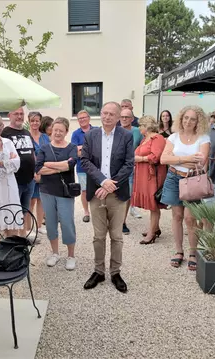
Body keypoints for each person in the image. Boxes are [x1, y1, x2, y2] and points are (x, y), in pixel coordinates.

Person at [81, 101, 134, 293]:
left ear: (119, 117)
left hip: (117, 194)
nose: (107, 116)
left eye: (112, 114)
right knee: (98, 236)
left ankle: (116, 272)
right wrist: (103, 181)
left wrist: (111, 185)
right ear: (100, 114)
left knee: (117, 236)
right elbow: (85, 161)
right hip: (97, 192)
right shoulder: (90, 135)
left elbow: (129, 164)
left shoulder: (126, 136)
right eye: (104, 113)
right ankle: (98, 271)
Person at [160, 105, 211, 271]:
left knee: (190, 219)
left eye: (193, 119)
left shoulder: (203, 138)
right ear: (181, 119)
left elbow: (201, 162)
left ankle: (193, 253)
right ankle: (178, 250)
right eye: (186, 118)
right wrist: (186, 159)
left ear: (199, 121)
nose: (188, 121)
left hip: (192, 179)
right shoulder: (173, 137)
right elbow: (163, 159)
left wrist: (176, 158)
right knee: (176, 216)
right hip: (174, 178)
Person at [35, 117, 78, 270]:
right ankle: (55, 253)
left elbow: (70, 165)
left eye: (61, 130)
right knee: (51, 224)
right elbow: (38, 169)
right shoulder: (45, 148)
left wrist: (48, 164)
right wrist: (60, 166)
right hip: (47, 191)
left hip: (65, 192)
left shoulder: (72, 147)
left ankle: (71, 255)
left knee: (67, 223)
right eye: (55, 130)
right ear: (51, 131)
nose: (57, 133)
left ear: (66, 132)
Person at [1, 107, 36, 238]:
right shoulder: (5, 133)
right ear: (9, 115)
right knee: (12, 211)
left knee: (24, 210)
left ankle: (23, 237)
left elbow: (32, 153)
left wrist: (36, 170)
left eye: (21, 114)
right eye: (16, 114)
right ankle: (12, 238)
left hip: (29, 180)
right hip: (14, 181)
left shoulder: (27, 132)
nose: (19, 116)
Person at [132, 115, 167, 244]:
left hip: (153, 175)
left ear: (146, 126)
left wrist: (140, 159)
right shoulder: (145, 139)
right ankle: (155, 228)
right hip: (144, 174)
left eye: (140, 125)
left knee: (153, 204)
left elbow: (155, 157)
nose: (139, 128)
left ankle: (152, 233)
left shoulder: (157, 138)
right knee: (152, 204)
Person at [120, 108, 144, 234]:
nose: (124, 119)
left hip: (130, 169)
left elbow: (143, 146)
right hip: (115, 169)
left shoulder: (137, 132)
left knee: (127, 195)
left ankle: (122, 222)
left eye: (127, 117)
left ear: (132, 119)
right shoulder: (114, 130)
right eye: (122, 117)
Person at [28, 111, 50, 235]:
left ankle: (39, 226)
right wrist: (34, 173)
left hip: (44, 171)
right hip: (31, 172)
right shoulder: (26, 136)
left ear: (40, 122)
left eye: (37, 120)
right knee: (31, 201)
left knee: (42, 199)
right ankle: (29, 228)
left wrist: (44, 171)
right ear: (29, 121)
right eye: (32, 120)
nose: (35, 123)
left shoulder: (45, 137)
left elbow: (49, 154)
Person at [71, 110, 94, 223]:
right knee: (84, 190)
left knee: (98, 189)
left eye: (84, 117)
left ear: (89, 118)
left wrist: (83, 148)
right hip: (82, 168)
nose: (82, 120)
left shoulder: (96, 130)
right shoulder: (76, 134)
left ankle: (97, 211)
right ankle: (86, 212)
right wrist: (90, 148)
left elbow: (99, 148)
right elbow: (75, 151)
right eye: (80, 118)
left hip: (96, 167)